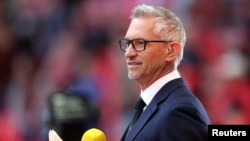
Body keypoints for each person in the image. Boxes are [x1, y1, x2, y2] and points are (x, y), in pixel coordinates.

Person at [119, 4, 211, 141]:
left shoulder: (180, 112)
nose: (129, 53)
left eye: (140, 43)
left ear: (171, 51)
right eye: (127, 43)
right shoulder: (152, 106)